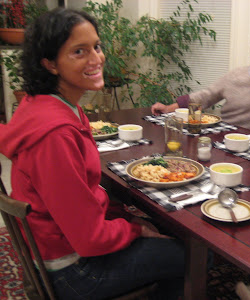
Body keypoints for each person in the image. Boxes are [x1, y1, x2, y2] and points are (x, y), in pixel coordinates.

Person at [0, 8, 185, 300]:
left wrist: (127, 222)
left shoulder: (49, 105)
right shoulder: (55, 135)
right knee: (190, 255)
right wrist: (136, 230)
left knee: (162, 228)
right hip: (71, 271)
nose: (96, 58)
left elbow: (85, 194)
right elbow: (89, 240)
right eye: (79, 51)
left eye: (96, 47)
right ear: (50, 64)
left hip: (59, 247)